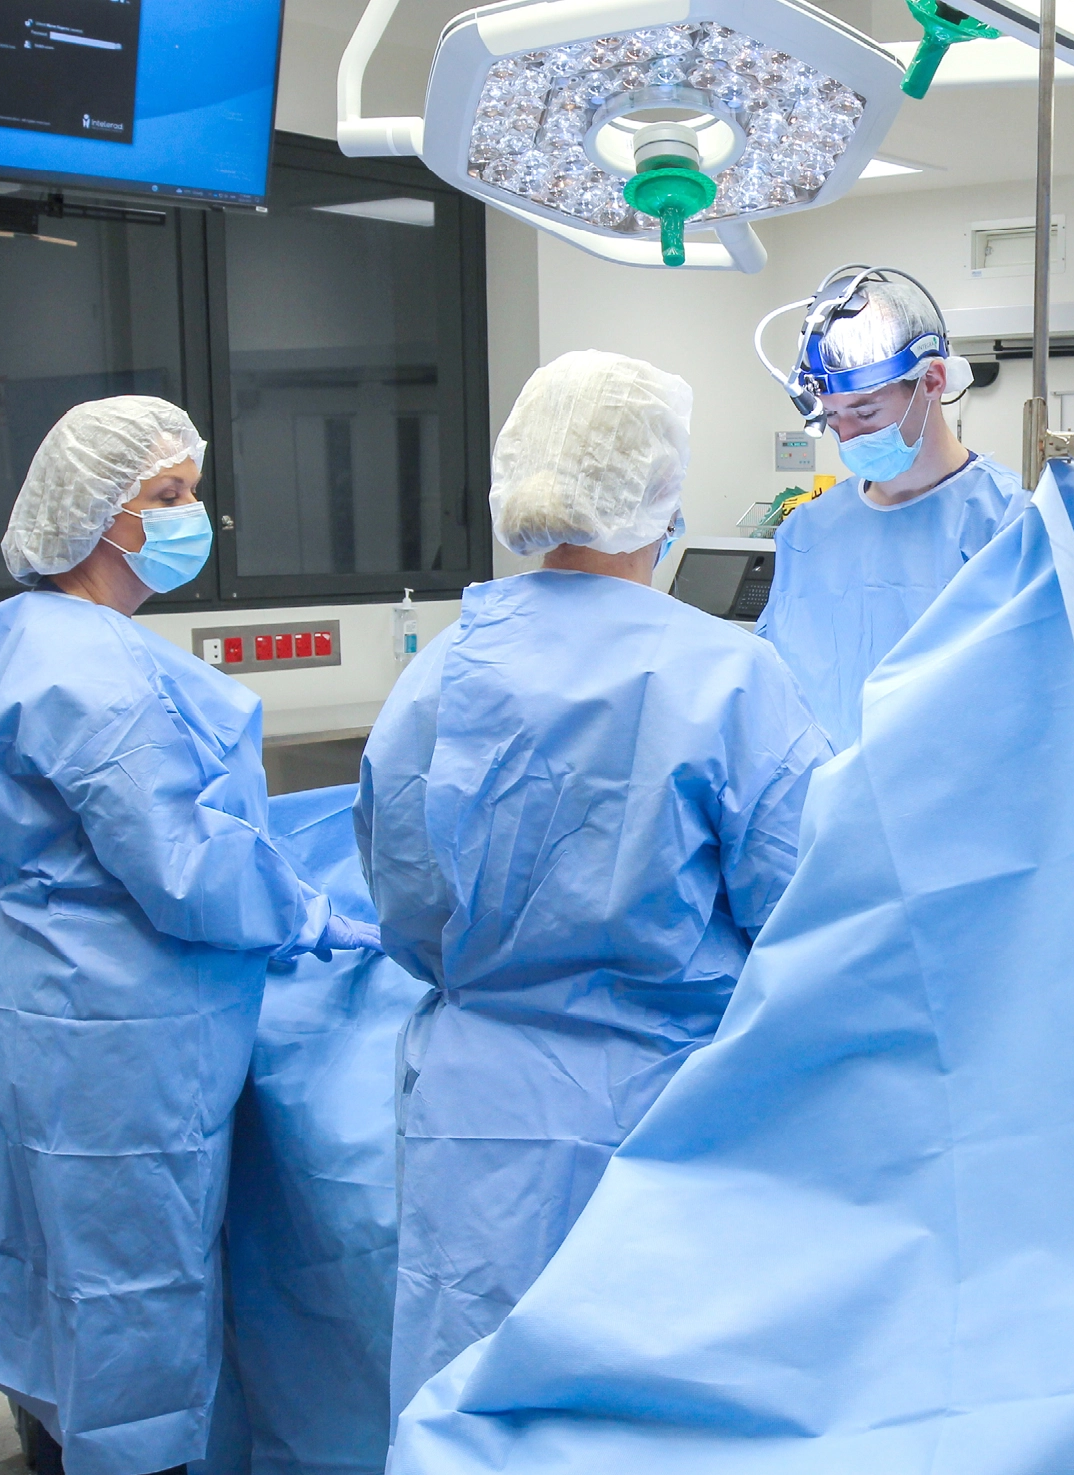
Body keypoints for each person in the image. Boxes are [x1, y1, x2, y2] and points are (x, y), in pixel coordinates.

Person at [357, 350, 832, 1420]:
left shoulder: (439, 672)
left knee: (479, 1413)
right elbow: (804, 910)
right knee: (649, 1417)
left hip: (474, 1121)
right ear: (661, 491)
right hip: (666, 1112)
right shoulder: (726, 673)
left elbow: (405, 904)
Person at [0, 396, 380, 1475]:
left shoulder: (5, 641)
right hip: (120, 1031)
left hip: (35, 995)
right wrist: (315, 914)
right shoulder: (98, 671)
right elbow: (185, 869)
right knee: (132, 1286)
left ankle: (58, 1442)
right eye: (163, 497)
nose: (192, 515)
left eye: (191, 491)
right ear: (89, 512)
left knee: (49, 1269)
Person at [753, 265, 1022, 748]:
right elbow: (777, 686)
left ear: (933, 380)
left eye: (866, 411)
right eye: (832, 417)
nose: (848, 434)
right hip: (822, 803)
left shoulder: (1004, 521)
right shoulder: (809, 531)